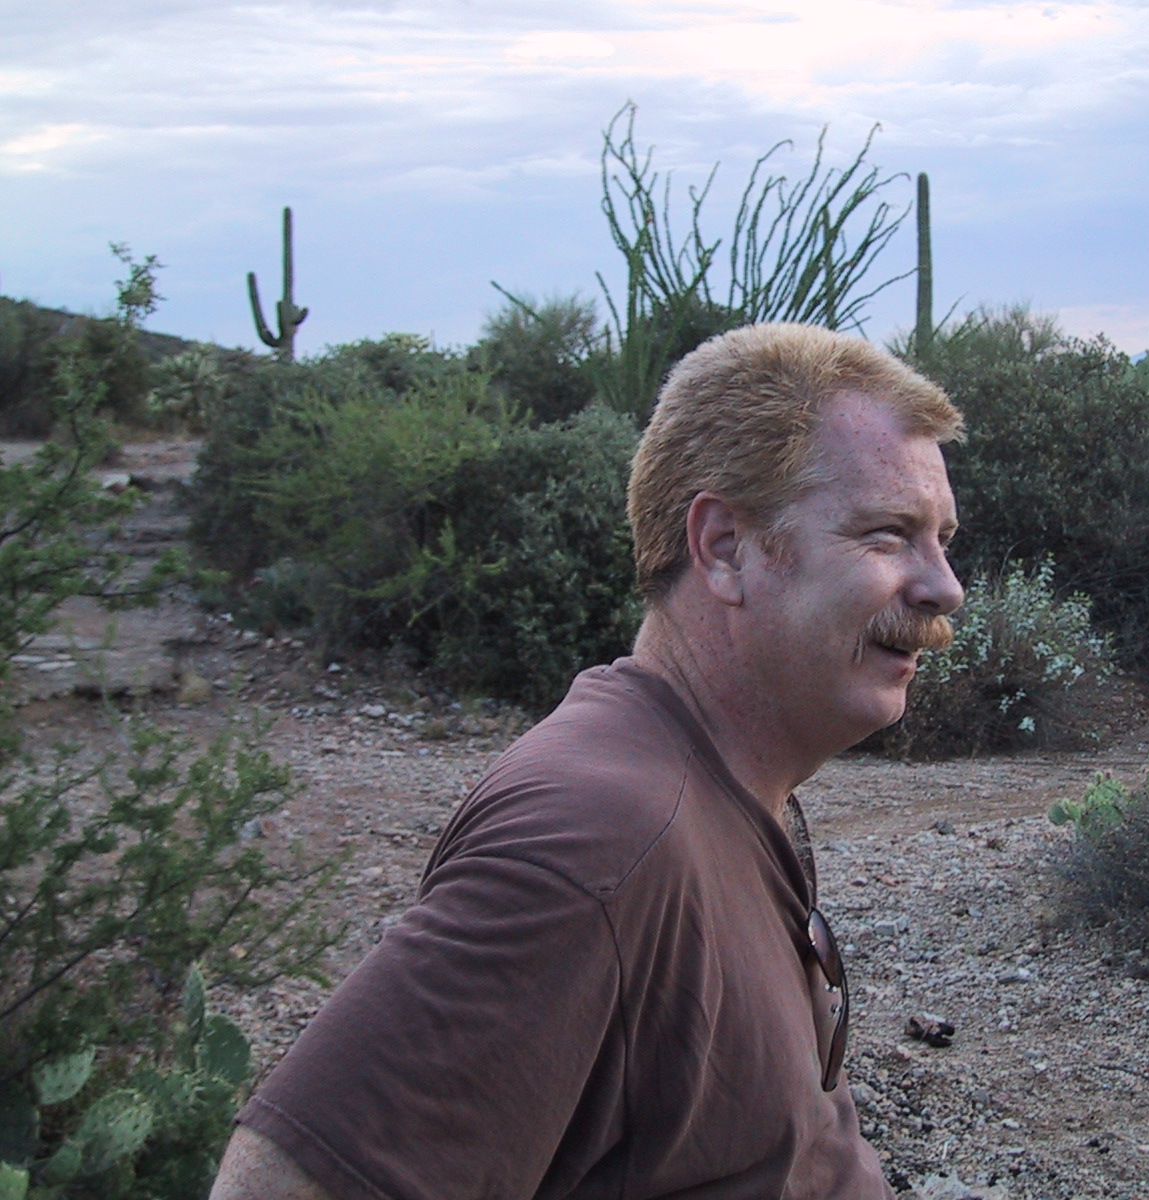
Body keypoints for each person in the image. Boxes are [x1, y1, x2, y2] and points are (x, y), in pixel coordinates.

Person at [209, 322, 965, 1200]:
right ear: (725, 548)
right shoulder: (598, 838)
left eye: (943, 538)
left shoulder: (715, 780)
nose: (944, 586)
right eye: (888, 534)